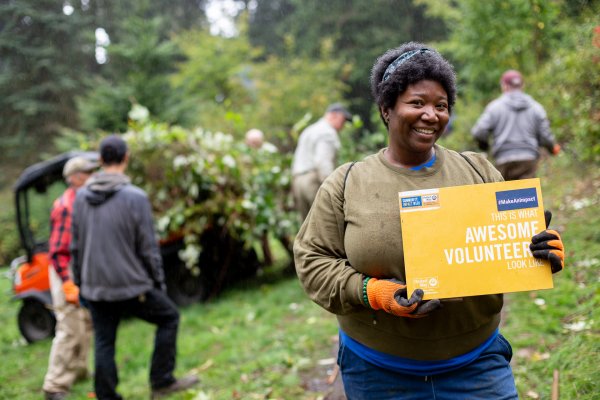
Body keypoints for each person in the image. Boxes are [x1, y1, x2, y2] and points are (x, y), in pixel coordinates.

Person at [294, 42, 566, 399]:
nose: (431, 115)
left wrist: (542, 250)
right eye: (417, 103)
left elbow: (506, 245)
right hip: (378, 374)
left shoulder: (476, 170)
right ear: (387, 109)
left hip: (478, 366)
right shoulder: (348, 183)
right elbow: (312, 261)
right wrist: (372, 292)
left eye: (441, 105)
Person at [71, 135, 199, 400]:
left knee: (104, 340)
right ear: (126, 157)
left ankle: (107, 396)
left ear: (101, 160)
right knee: (169, 317)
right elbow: (148, 248)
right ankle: (161, 381)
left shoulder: (81, 197)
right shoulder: (135, 197)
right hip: (131, 285)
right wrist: (158, 283)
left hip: (96, 287)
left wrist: (80, 283)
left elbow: (76, 245)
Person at [43, 156, 97, 400]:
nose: (92, 175)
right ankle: (54, 386)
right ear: (75, 178)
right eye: (87, 173)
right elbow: (57, 251)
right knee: (69, 327)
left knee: (85, 324)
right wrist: (67, 282)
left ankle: (80, 372)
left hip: (80, 270)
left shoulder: (83, 201)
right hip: (65, 272)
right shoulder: (66, 206)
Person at [471, 69, 561, 180]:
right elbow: (545, 135)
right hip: (528, 159)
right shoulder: (536, 107)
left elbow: (479, 132)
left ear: (504, 86)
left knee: (504, 196)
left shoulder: (494, 107)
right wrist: (553, 148)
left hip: (503, 160)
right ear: (522, 85)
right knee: (528, 196)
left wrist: (484, 146)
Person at [291, 103, 352, 221]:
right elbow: (323, 163)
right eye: (343, 121)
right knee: (323, 225)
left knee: (306, 227)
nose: (343, 125)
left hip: (298, 181)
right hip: (313, 182)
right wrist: (333, 190)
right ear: (334, 115)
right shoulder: (327, 132)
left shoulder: (310, 129)